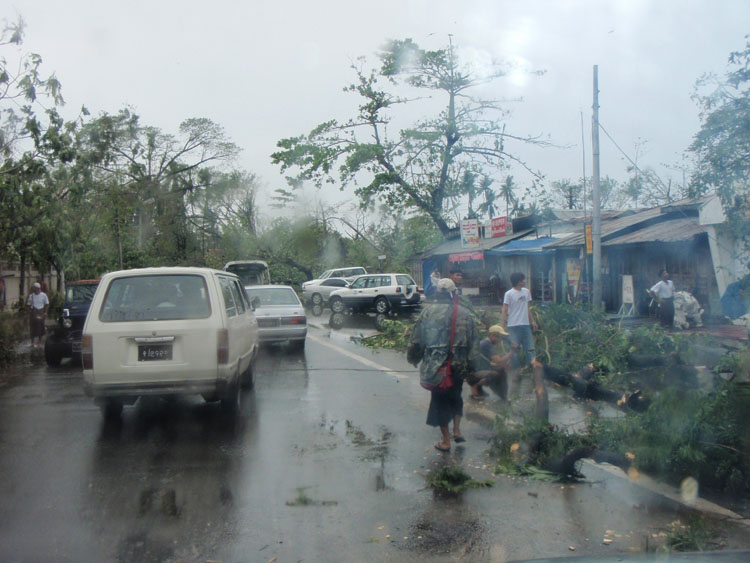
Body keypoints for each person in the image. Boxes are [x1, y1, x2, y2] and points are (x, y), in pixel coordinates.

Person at [407, 278, 480, 453]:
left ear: (438, 293)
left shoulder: (428, 313)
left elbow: (417, 340)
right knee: (456, 397)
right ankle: (457, 430)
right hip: (459, 366)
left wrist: (413, 358)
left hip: (436, 367)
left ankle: (446, 441)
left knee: (439, 402)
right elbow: (474, 343)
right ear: (454, 293)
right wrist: (472, 368)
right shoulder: (464, 314)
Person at [468, 324, 517, 400]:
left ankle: (499, 394)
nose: (500, 340)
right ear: (493, 336)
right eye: (499, 337)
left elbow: (493, 362)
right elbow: (498, 361)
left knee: (500, 369)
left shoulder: (486, 343)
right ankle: (476, 386)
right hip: (472, 374)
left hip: (474, 371)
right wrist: (511, 352)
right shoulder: (487, 344)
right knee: (495, 374)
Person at [500, 272, 537, 368]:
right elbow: (504, 310)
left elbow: (527, 308)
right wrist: (501, 327)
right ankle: (516, 370)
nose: (525, 281)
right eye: (523, 280)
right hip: (513, 326)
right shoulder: (508, 294)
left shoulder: (526, 291)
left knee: (530, 349)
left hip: (525, 325)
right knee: (514, 349)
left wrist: (532, 321)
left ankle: (531, 368)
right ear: (518, 282)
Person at [27, 282, 49, 348]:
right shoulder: (31, 296)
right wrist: (30, 312)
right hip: (33, 313)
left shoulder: (43, 295)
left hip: (41, 312)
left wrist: (45, 312)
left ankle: (39, 342)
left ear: (38, 289)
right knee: (32, 327)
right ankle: (32, 342)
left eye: (35, 288)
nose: (34, 290)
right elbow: (28, 305)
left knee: (40, 327)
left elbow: (47, 304)